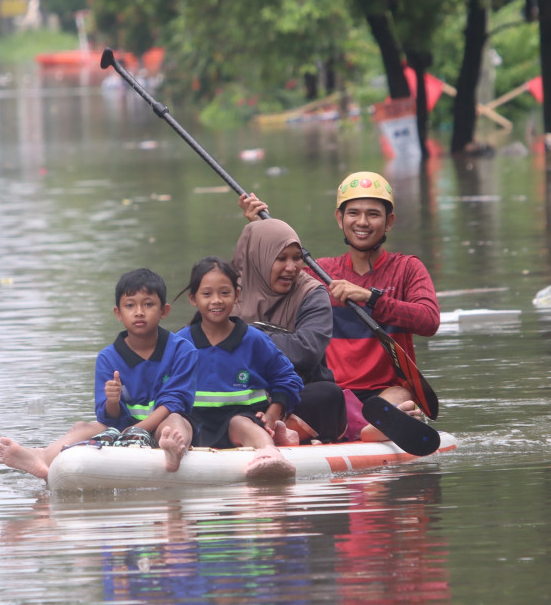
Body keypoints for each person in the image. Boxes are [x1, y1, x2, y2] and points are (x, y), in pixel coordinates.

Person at [239, 171, 440, 445]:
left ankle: (374, 427)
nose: (362, 222)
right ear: (339, 219)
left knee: (400, 395)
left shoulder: (408, 268)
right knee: (316, 396)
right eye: (353, 213)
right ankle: (323, 431)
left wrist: (371, 298)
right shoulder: (317, 272)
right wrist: (264, 233)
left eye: (373, 214)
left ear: (389, 221)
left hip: (384, 391)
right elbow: (274, 276)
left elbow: (429, 321)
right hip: (329, 390)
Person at [0, 268, 197, 479]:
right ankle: (42, 456)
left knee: (176, 423)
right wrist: (112, 401)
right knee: (84, 427)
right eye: (130, 305)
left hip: (159, 428)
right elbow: (107, 415)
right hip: (121, 429)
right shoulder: (107, 357)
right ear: (118, 313)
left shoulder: (182, 350)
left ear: (164, 311)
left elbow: (174, 402)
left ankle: (173, 452)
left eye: (148, 304)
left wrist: (136, 431)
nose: (139, 312)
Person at [174, 256, 300, 480]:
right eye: (207, 294)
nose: (216, 300)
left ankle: (270, 452)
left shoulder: (254, 339)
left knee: (240, 423)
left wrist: (272, 415)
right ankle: (168, 451)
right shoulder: (180, 343)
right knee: (176, 424)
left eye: (224, 293)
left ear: (237, 295)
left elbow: (287, 378)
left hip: (241, 419)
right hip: (194, 422)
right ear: (193, 299)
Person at [230, 219, 353, 444]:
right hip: (240, 392)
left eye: (297, 258)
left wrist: (241, 339)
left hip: (297, 392)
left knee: (329, 395)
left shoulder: (312, 294)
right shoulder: (227, 293)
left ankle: (273, 431)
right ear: (259, 259)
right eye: (281, 258)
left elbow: (305, 351)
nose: (292, 267)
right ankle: (264, 431)